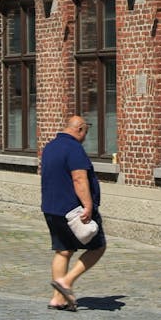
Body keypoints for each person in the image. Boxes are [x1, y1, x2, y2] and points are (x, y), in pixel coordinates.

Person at [40, 115, 107, 310]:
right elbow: (79, 179)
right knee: (97, 247)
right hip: (74, 211)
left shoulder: (50, 147)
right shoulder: (74, 149)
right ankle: (66, 282)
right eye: (86, 132)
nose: (85, 137)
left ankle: (57, 298)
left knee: (63, 251)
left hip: (51, 208)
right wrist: (88, 206)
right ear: (80, 129)